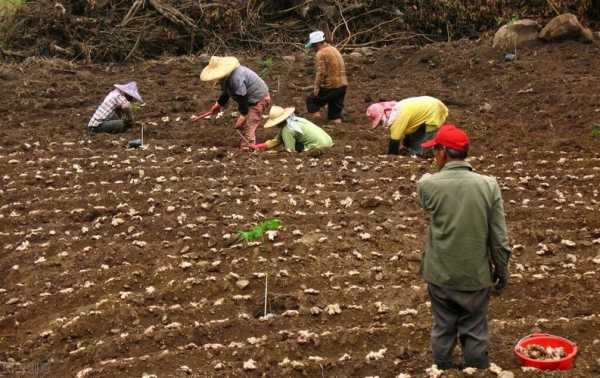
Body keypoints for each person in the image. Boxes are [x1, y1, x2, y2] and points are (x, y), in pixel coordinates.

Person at [417, 124, 512, 370]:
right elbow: (499, 239)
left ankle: (441, 369)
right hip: (475, 276)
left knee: (443, 326)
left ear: (442, 152)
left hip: (440, 274)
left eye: (435, 150)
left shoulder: (428, 184)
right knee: (475, 328)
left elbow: (428, 185)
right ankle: (476, 369)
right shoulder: (489, 185)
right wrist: (501, 271)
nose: (433, 155)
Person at [198, 56, 270, 150]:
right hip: (248, 99)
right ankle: (247, 143)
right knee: (244, 124)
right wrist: (218, 105)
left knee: (250, 123)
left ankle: (248, 148)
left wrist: (243, 115)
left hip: (258, 99)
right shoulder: (226, 77)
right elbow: (226, 92)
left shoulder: (236, 78)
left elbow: (242, 97)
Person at [366, 96, 448, 156]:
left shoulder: (397, 119)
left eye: (380, 122)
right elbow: (408, 130)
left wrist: (391, 157)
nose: (380, 124)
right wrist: (406, 146)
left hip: (434, 110)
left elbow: (394, 142)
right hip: (428, 106)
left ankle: (431, 153)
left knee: (426, 148)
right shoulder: (397, 110)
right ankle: (416, 150)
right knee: (415, 139)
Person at [305, 31, 347, 124]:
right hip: (342, 86)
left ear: (317, 43)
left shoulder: (321, 53)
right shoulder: (333, 49)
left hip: (331, 86)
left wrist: (316, 88)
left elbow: (321, 73)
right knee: (334, 115)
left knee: (311, 101)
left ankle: (317, 123)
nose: (313, 48)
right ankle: (338, 127)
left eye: (313, 46)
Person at [250, 106, 333, 152]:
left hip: (318, 146)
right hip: (328, 141)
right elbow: (276, 141)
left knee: (292, 146)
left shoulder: (287, 130)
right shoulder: (296, 120)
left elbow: (290, 151)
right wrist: (258, 147)